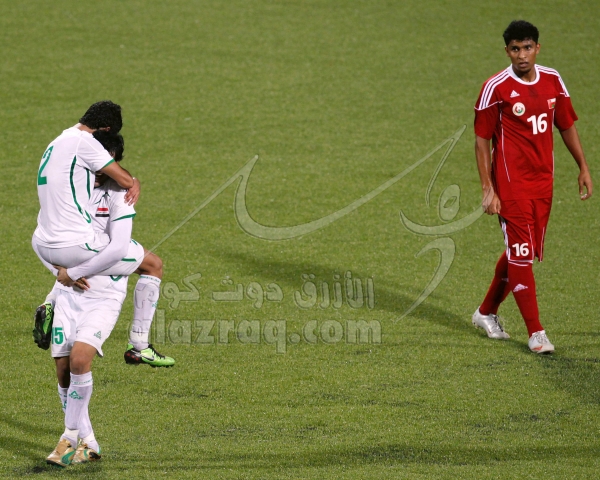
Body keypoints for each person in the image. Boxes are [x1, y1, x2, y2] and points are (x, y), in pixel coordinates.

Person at [471, 20, 593, 353]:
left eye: (527, 47)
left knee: (520, 251)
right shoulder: (495, 88)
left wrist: (582, 167)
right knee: (522, 252)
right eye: (515, 49)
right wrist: (487, 188)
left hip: (543, 182)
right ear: (507, 51)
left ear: (537, 48)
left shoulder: (553, 80)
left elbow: (565, 125)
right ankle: (536, 333)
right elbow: (481, 140)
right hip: (510, 184)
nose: (522, 55)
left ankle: (486, 312)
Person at [34, 131, 174, 368]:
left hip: (69, 249)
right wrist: (132, 181)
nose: (100, 170)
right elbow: (118, 246)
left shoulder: (69, 184)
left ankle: (52, 300)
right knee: (153, 266)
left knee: (72, 264)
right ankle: (139, 345)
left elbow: (41, 236)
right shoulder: (117, 189)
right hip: (98, 248)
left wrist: (58, 270)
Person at [32, 100, 141, 272]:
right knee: (150, 263)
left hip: (43, 244)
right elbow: (126, 181)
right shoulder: (85, 142)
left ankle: (65, 284)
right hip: (73, 245)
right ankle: (71, 278)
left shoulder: (57, 142)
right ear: (106, 129)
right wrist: (135, 181)